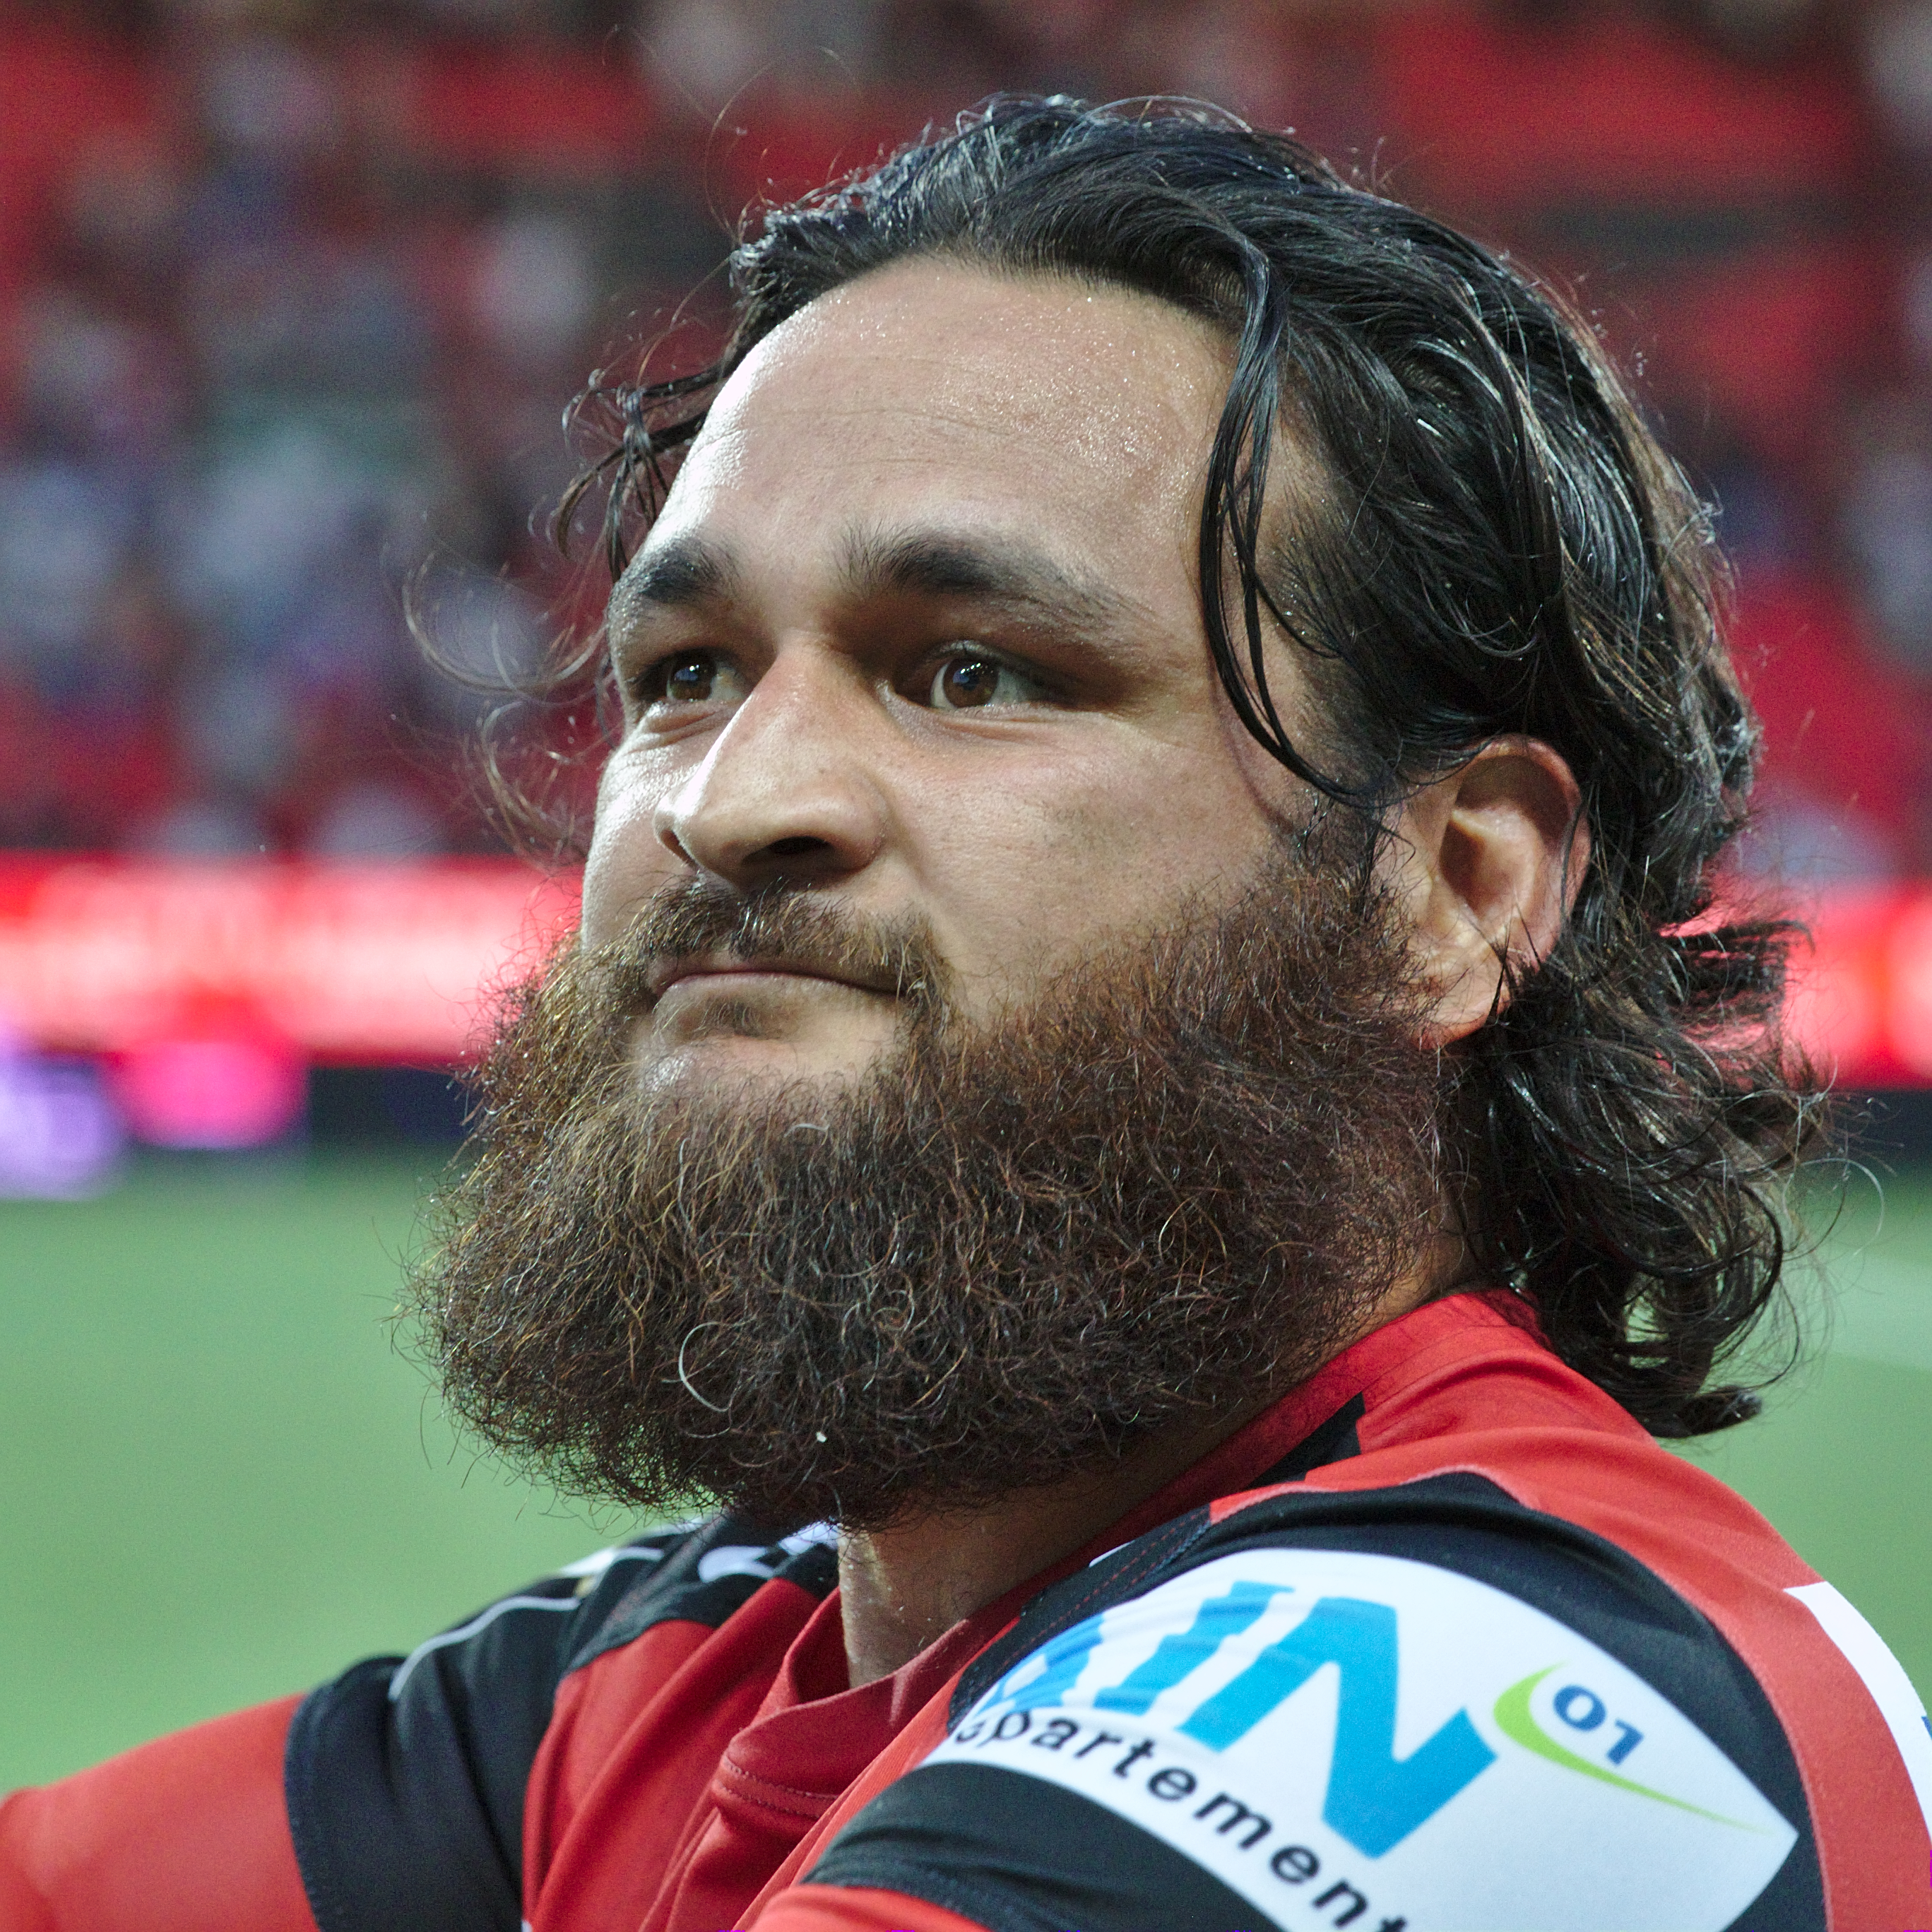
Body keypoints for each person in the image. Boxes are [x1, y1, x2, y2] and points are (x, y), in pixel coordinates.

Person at [4, 96, 1929, 1932]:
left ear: (1457, 891)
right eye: (683, 671)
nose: (733, 798)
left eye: (974, 671)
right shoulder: (731, 1655)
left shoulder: (1519, 1703)